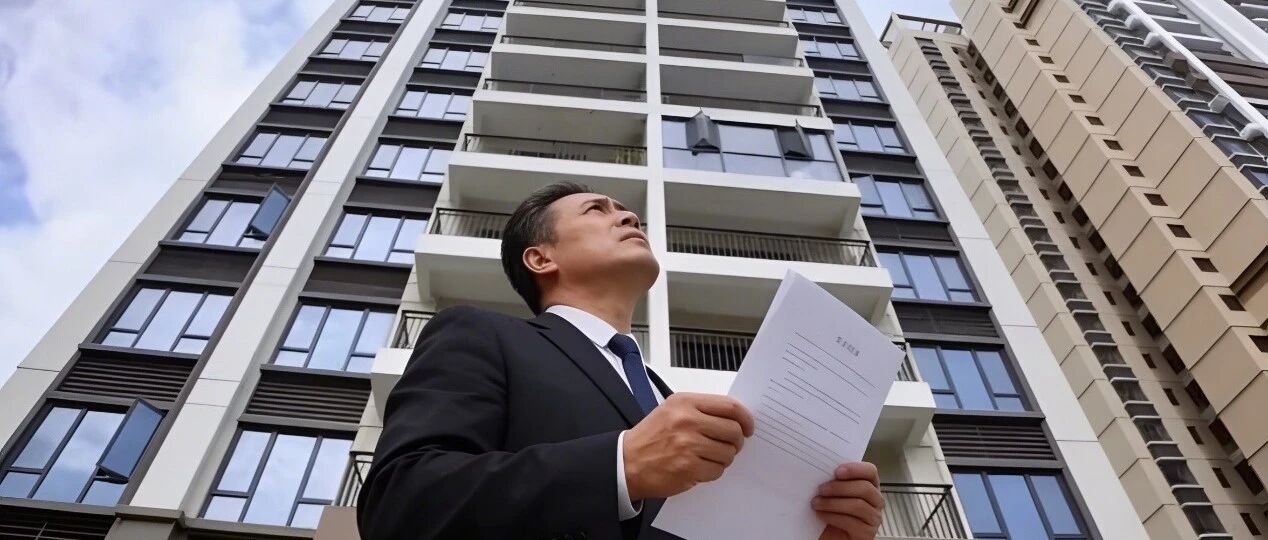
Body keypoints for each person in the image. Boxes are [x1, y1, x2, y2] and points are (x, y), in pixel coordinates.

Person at [357, 182, 885, 540]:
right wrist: (620, 465)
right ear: (540, 258)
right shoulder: (480, 334)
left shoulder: (664, 399)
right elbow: (400, 501)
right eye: (597, 210)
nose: (629, 215)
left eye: (625, 211)